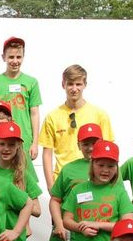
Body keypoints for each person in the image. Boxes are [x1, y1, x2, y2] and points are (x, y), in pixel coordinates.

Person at [61, 141, 133, 241]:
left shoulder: (119, 191)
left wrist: (98, 225)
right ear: (92, 165)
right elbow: (67, 219)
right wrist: (81, 228)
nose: (105, 170)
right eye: (101, 165)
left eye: (111, 166)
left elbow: (128, 224)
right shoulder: (78, 190)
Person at [48, 123, 104, 241]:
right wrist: (58, 224)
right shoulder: (69, 169)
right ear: (79, 145)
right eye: (86, 143)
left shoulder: (108, 168)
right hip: (67, 232)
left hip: (95, 237)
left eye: (94, 143)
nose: (90, 148)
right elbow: (55, 200)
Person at [39, 64, 113, 192]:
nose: (74, 89)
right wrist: (51, 185)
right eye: (70, 84)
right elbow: (47, 153)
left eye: (78, 84)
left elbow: (108, 150)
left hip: (93, 180)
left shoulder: (99, 114)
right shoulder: (52, 116)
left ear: (85, 84)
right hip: (63, 181)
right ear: (63, 84)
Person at [0, 121, 42, 241]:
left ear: (18, 146)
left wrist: (13, 201)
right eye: (2, 144)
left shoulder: (23, 175)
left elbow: (37, 209)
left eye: (11, 144)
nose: (6, 149)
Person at [0, 37, 42, 160]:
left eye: (18, 57)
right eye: (11, 57)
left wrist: (35, 143)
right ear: (3, 57)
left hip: (23, 140)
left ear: (23, 57)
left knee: (23, 176)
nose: (15, 61)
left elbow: (34, 113)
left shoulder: (31, 82)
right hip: (1, 141)